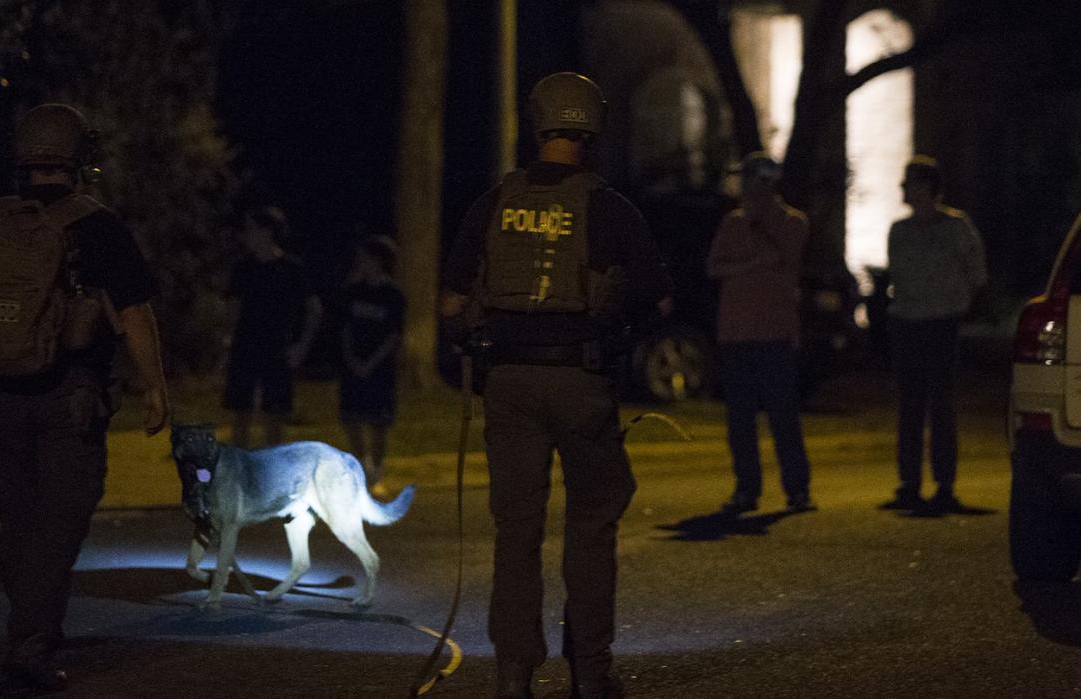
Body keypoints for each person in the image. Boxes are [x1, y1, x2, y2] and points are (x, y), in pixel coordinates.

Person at [440, 72, 672, 699]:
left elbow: (452, 303)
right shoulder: (609, 206)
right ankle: (591, 672)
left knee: (516, 530)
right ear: (592, 128)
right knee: (593, 522)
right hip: (581, 379)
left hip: (509, 385)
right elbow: (658, 293)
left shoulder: (493, 201)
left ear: (536, 124)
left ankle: (514, 673)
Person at [0, 103, 169, 689]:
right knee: (60, 519)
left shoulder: (0, 220)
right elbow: (133, 311)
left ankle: (25, 627)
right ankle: (31, 642)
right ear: (80, 156)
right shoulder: (96, 225)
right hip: (71, 395)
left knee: (18, 517)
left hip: (6, 392)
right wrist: (154, 386)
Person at [706, 152, 814, 515]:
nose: (745, 187)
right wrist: (748, 264)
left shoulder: (792, 222)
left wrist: (758, 224)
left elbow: (783, 259)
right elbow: (714, 267)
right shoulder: (731, 223)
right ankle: (746, 489)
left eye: (752, 180)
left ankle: (797, 489)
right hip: (736, 333)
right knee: (740, 421)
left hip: (774, 333)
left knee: (784, 417)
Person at [882, 155, 987, 512]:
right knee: (910, 406)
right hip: (908, 323)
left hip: (941, 322)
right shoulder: (900, 231)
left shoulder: (956, 227)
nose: (905, 190)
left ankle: (944, 484)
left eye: (910, 183)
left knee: (940, 405)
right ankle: (909, 482)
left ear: (928, 188)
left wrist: (955, 302)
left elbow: (976, 272)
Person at [222, 205, 322, 448]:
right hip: (245, 345)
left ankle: (272, 472)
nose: (247, 234)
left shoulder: (290, 269)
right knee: (241, 411)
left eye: (252, 229)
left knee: (274, 413)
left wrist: (301, 345)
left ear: (267, 232)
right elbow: (233, 307)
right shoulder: (243, 268)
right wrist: (227, 339)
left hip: (277, 346)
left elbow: (314, 308)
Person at [338, 234, 404, 498]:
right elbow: (344, 328)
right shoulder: (352, 290)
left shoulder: (393, 294)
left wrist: (372, 362)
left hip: (379, 367)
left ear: (378, 261)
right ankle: (360, 466)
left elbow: (394, 334)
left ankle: (376, 471)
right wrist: (351, 358)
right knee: (351, 419)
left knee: (378, 423)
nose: (361, 262)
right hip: (353, 365)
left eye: (366, 257)